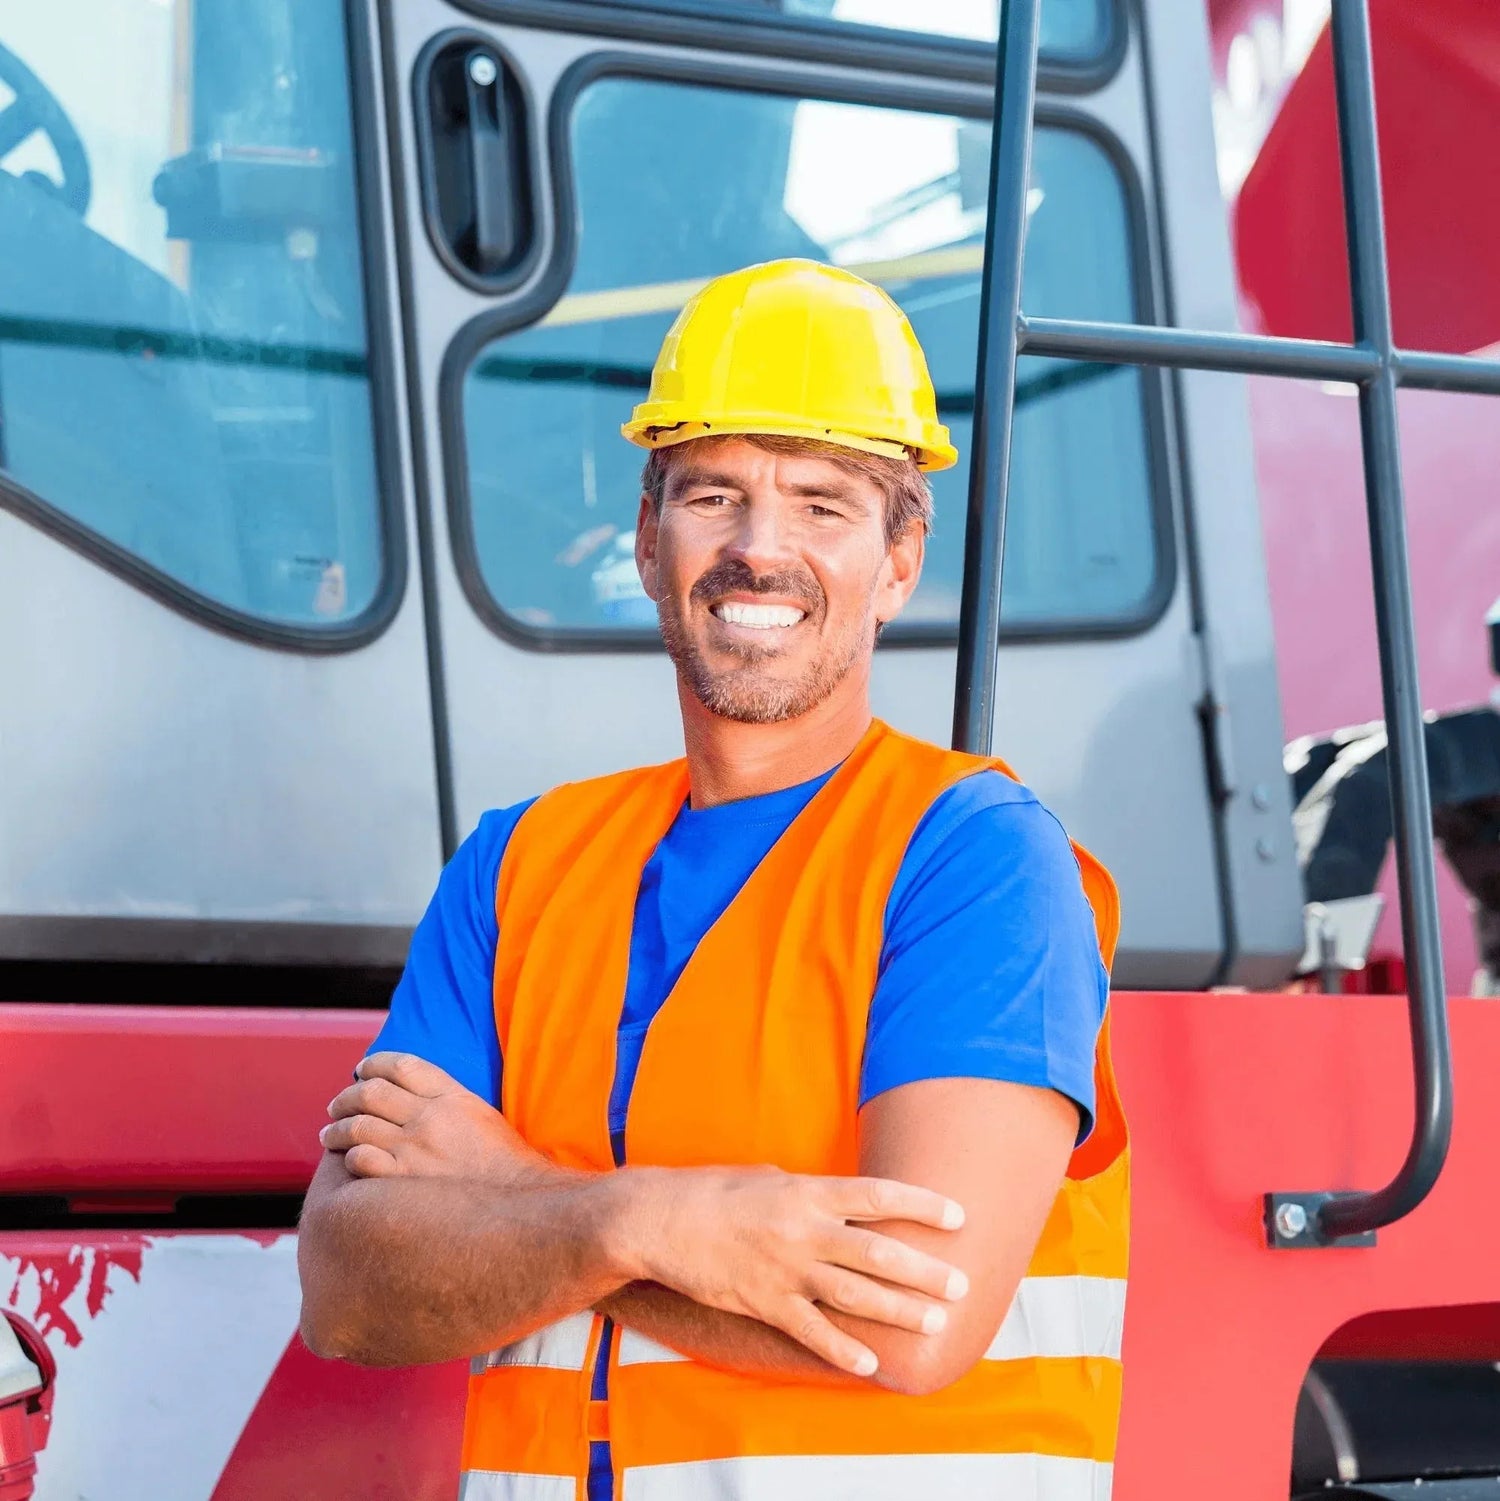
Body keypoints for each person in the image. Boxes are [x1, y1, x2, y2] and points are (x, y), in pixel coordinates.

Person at [298, 258, 1128, 1501]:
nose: (759, 550)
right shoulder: (516, 868)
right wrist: (640, 1224)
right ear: (647, 540)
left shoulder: (975, 858)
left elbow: (910, 1316)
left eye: (824, 505)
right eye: (714, 493)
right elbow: (348, 1288)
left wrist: (519, 1196)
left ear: (901, 564)